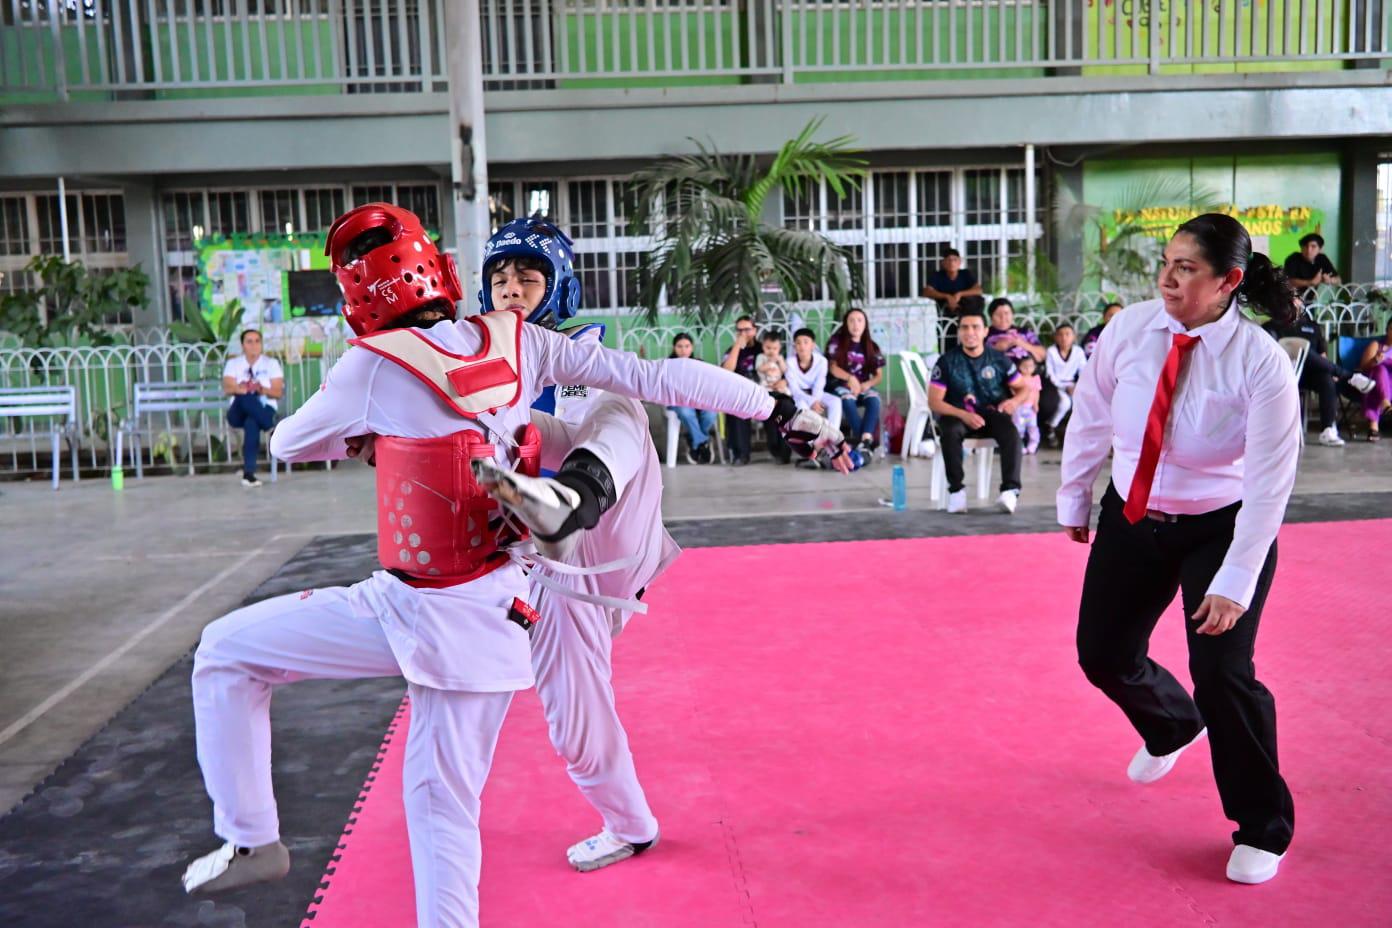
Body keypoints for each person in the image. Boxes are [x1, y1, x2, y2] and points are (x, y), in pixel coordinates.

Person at [180, 205, 845, 928]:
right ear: (457, 276)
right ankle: (630, 822)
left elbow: (655, 381)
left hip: (577, 555)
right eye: (502, 276)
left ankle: (568, 498)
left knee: (611, 419)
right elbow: (662, 376)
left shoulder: (468, 355)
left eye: (529, 276)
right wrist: (772, 407)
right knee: (515, 756)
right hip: (506, 578)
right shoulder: (505, 345)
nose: (514, 289)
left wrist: (772, 406)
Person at [1058, 213, 1301, 886]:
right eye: (1165, 262)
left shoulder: (1261, 365)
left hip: (1219, 526)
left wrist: (1236, 579)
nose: (1167, 277)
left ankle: (1264, 826)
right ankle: (1170, 725)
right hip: (1133, 514)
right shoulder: (1131, 331)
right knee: (1102, 653)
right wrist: (1075, 498)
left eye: (1187, 268)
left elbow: (1269, 484)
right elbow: (1094, 413)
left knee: (1223, 672)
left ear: (1229, 281)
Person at [927, 307, 1028, 514]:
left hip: (991, 414)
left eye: (975, 327)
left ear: (985, 331)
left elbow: (1024, 387)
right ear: (959, 331)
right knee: (950, 432)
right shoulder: (947, 362)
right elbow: (934, 401)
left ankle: (1010, 491)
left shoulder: (999, 359)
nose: (970, 332)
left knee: (1011, 433)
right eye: (964, 327)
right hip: (957, 415)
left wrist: (1014, 402)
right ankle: (956, 492)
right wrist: (964, 414)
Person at [1262, 299, 1375, 446]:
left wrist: (1331, 371)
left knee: (1326, 378)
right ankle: (1350, 376)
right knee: (1303, 349)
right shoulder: (1271, 326)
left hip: (1310, 374)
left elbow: (1322, 356)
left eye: (1296, 302)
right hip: (1284, 372)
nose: (1294, 305)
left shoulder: (1312, 326)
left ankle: (1328, 429)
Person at [221, 328, 284, 487]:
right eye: (249, 341)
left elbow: (277, 392)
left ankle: (248, 474)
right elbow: (228, 388)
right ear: (243, 345)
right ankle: (270, 427)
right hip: (238, 411)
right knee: (245, 395)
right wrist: (242, 389)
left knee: (252, 423)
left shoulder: (271, 364)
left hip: (264, 407)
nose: (254, 345)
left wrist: (261, 389)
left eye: (257, 341)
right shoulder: (233, 363)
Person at [826, 307, 885, 452]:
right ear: (845, 324)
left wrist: (867, 384)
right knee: (847, 399)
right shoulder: (836, 342)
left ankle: (865, 438)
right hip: (840, 385)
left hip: (863, 386)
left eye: (859, 320)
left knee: (874, 398)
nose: (855, 324)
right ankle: (865, 442)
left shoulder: (872, 346)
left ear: (865, 324)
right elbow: (832, 368)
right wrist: (850, 378)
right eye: (851, 320)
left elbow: (879, 376)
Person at [786, 327, 843, 469]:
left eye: (806, 342)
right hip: (801, 396)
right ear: (794, 346)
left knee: (836, 401)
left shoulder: (821, 361)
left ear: (812, 345)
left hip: (817, 394)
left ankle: (832, 438)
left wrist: (816, 401)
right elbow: (795, 390)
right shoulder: (790, 363)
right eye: (798, 343)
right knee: (802, 409)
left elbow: (819, 385)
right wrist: (811, 403)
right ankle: (814, 446)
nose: (802, 346)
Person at [668, 333, 718, 463]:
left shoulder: (699, 363)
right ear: (674, 347)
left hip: (699, 400)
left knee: (711, 414)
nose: (683, 350)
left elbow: (707, 385)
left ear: (692, 347)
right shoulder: (668, 364)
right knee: (685, 412)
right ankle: (703, 442)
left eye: (686, 346)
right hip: (678, 400)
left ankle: (693, 440)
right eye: (679, 346)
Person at [720, 315, 759, 465]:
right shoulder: (732, 350)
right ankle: (740, 454)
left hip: (762, 390)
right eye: (740, 330)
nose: (743, 334)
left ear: (754, 330)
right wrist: (737, 346)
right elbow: (726, 370)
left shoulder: (763, 348)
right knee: (735, 410)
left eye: (747, 330)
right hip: (740, 393)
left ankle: (781, 453)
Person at [1044, 322, 1086, 444]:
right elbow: (1049, 373)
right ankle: (1051, 426)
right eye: (1060, 335)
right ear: (1055, 337)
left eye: (1067, 334)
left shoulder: (1078, 352)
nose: (1064, 338)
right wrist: (1064, 386)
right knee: (1065, 403)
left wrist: (1077, 386)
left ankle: (1077, 434)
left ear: (1074, 337)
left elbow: (1084, 371)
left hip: (1073, 385)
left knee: (1081, 403)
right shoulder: (1051, 351)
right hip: (1056, 385)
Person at [921, 248, 984, 317]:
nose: (952, 263)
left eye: (955, 260)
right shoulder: (937, 275)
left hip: (966, 311)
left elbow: (978, 290)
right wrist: (947, 297)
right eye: (949, 260)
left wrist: (960, 294)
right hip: (945, 312)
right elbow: (927, 292)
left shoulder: (965, 274)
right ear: (943, 262)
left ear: (960, 262)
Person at [1358, 316, 1392, 440]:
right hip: (1377, 382)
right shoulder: (1377, 345)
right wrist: (1375, 360)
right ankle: (1385, 402)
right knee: (1379, 370)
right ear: (1387, 330)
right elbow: (1363, 367)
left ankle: (1373, 427)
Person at [984, 297, 1046, 365]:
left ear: (1012, 315)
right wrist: (996, 348)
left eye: (1006, 313)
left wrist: (1021, 343)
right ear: (991, 317)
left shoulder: (1025, 332)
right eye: (998, 314)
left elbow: (1043, 355)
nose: (1003, 318)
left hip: (1026, 373)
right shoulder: (985, 334)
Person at [1013, 355, 1042, 455]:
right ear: (1019, 366)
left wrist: (1036, 404)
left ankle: (1033, 445)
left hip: (1030, 408)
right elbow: (1012, 389)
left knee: (1032, 427)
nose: (1028, 368)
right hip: (1019, 408)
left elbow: (1036, 392)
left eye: (1030, 366)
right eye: (1024, 366)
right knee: (1018, 427)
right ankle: (1019, 446)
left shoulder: (1036, 379)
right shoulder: (1017, 378)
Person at [756, 330, 790, 395]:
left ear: (779, 348)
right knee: (763, 394)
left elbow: (784, 370)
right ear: (763, 346)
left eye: (775, 348)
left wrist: (780, 361)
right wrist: (771, 362)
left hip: (778, 382)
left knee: (787, 394)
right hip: (765, 383)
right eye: (768, 348)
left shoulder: (780, 357)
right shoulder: (761, 356)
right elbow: (759, 369)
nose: (771, 351)